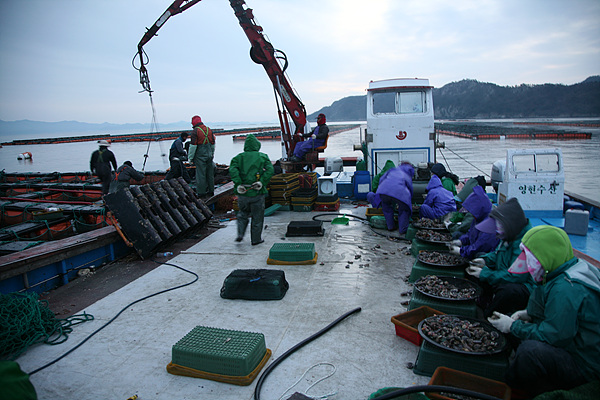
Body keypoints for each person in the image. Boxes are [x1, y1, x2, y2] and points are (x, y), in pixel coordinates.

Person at [487, 225, 600, 397]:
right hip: (570, 343)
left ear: (546, 256)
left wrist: (513, 327)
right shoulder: (558, 270)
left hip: (583, 363)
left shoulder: (567, 289)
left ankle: (520, 392)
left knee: (529, 352)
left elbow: (554, 335)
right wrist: (528, 313)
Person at [466, 197, 534, 318]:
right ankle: (483, 300)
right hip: (505, 274)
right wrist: (484, 260)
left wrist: (484, 274)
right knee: (476, 261)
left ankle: (489, 316)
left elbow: (516, 276)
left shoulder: (526, 243)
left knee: (508, 291)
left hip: (522, 285)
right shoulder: (510, 235)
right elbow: (498, 254)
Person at [229, 134, 274, 245]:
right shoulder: (262, 156)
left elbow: (232, 170)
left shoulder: (238, 158)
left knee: (242, 214)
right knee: (257, 218)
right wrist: (262, 182)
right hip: (257, 193)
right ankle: (256, 239)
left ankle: (240, 233)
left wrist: (238, 182)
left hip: (242, 192)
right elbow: (270, 170)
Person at [448, 186, 499, 259]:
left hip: (486, 255)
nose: (471, 214)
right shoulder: (478, 218)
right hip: (475, 247)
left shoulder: (490, 223)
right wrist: (461, 241)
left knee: (478, 255)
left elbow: (479, 247)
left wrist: (461, 251)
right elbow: (471, 234)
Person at [366, 162, 414, 234]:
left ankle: (390, 227)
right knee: (404, 210)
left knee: (387, 208)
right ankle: (402, 230)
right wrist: (409, 201)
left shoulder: (392, 170)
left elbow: (381, 179)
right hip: (399, 192)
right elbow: (410, 188)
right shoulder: (406, 175)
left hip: (383, 191)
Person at [188, 115, 215, 197]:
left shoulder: (195, 131)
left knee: (201, 174)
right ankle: (211, 191)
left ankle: (201, 193)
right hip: (209, 154)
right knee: (210, 174)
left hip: (200, 156)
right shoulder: (209, 130)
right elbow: (213, 144)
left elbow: (193, 146)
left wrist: (190, 158)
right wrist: (212, 154)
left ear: (193, 123)